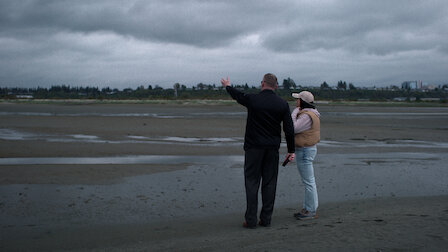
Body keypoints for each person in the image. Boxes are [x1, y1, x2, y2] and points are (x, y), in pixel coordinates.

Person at [220, 74, 295, 228]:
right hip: (272, 148)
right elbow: (289, 129)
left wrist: (227, 86)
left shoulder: (253, 99)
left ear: (262, 84)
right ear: (275, 86)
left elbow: (238, 95)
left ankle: (251, 219)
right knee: (270, 183)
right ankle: (266, 219)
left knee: (252, 182)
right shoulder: (282, 104)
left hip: (254, 147)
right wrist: (291, 150)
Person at [291, 91, 321, 220]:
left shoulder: (305, 116)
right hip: (308, 149)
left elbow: (292, 128)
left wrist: (293, 113)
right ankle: (308, 208)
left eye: (298, 99)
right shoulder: (313, 113)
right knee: (309, 181)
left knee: (309, 182)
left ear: (302, 102)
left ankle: (311, 210)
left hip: (304, 150)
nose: (296, 102)